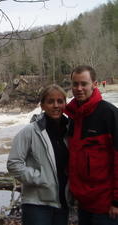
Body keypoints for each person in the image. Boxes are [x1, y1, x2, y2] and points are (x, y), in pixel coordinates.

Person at [7, 84, 69, 225]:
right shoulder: (30, 132)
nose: (55, 105)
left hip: (62, 202)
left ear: (65, 104)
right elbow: (13, 163)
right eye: (50, 101)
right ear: (42, 105)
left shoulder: (70, 131)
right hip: (37, 204)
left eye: (60, 101)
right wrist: (40, 178)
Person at [65, 65, 118, 225]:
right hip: (83, 202)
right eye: (75, 84)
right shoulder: (73, 116)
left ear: (94, 84)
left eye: (84, 84)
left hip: (106, 205)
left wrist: (116, 201)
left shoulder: (109, 114)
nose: (79, 88)